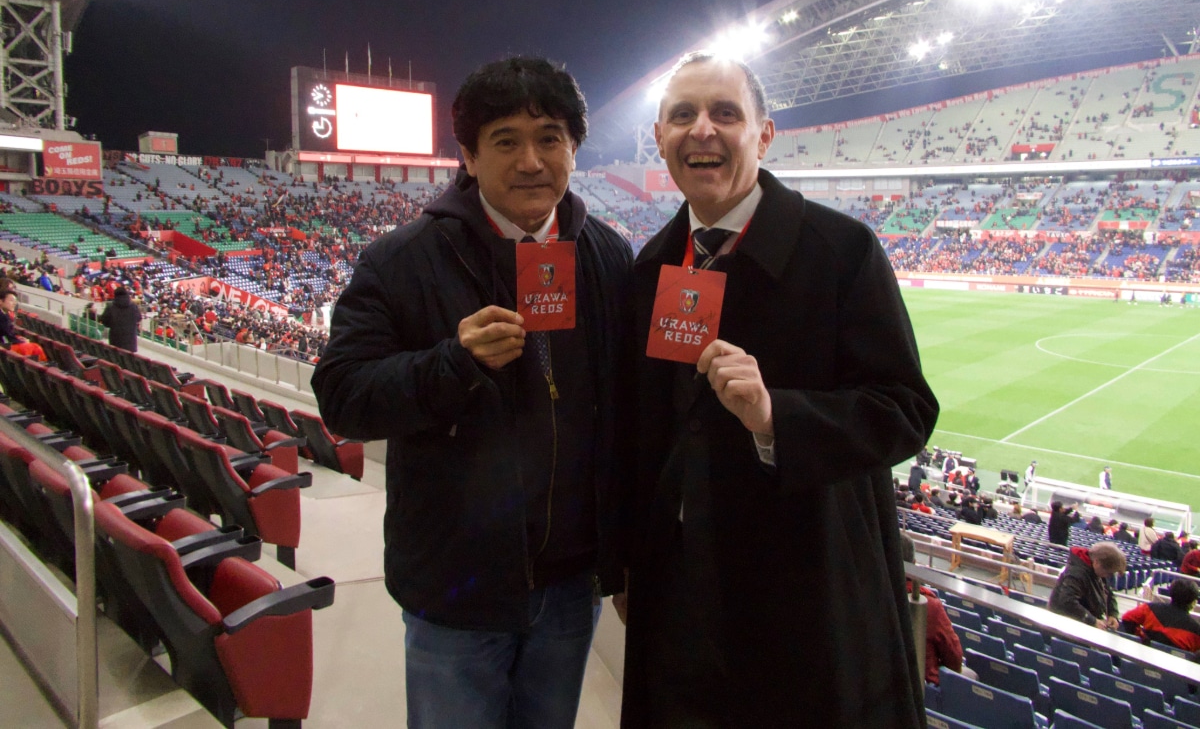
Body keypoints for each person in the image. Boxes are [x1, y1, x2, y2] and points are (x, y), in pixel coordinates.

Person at [310, 56, 634, 729]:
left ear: (574, 148)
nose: (530, 161)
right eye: (506, 140)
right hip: (455, 590)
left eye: (549, 137)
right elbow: (341, 395)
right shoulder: (402, 259)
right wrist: (452, 363)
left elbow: (628, 415)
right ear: (468, 155)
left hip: (572, 584)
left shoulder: (608, 256)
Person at [620, 52, 939, 727]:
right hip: (679, 603)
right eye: (682, 115)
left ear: (764, 136)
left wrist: (777, 418)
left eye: (725, 114)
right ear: (658, 139)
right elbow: (640, 433)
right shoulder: (651, 266)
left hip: (806, 606)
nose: (701, 130)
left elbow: (905, 410)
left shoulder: (841, 251)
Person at [899, 535, 973, 684]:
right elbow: (954, 658)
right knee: (971, 675)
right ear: (913, 565)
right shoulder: (928, 605)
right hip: (923, 686)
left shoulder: (873, 594)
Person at [1048, 541, 1127, 629]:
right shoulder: (1076, 573)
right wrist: (1091, 620)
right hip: (1066, 625)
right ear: (1097, 563)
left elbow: (1108, 592)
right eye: (1108, 573)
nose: (1108, 576)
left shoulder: (1098, 570)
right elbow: (1068, 601)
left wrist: (1112, 613)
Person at [1120, 578, 1200, 652]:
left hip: (1143, 658)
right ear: (1193, 603)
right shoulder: (1196, 631)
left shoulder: (1149, 608)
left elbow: (1127, 619)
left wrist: (1141, 637)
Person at [99, 285, 141, 352]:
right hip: (130, 341)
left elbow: (104, 320)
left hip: (115, 339)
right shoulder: (133, 306)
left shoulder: (110, 307)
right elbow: (139, 318)